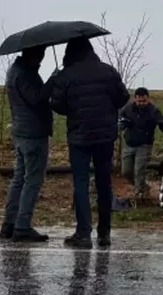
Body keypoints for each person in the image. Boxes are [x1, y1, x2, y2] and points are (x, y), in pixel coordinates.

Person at [49, 37, 130, 249]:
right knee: (104, 183)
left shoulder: (67, 74)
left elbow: (56, 104)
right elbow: (123, 97)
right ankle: (104, 233)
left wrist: (71, 108)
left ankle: (83, 233)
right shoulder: (108, 71)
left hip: (79, 136)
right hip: (105, 136)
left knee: (81, 183)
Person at [0, 46, 53, 242]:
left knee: (19, 179)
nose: (41, 59)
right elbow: (36, 98)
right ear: (34, 54)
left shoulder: (15, 71)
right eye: (41, 55)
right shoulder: (25, 75)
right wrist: (52, 81)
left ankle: (9, 224)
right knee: (32, 181)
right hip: (33, 134)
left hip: (21, 132)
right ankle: (22, 225)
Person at [118, 87, 163, 203]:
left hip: (144, 144)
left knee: (139, 171)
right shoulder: (128, 108)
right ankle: (144, 187)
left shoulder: (153, 111)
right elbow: (119, 117)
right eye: (139, 101)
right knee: (126, 171)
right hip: (129, 144)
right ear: (135, 99)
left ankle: (139, 196)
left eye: (144, 101)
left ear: (148, 99)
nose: (141, 103)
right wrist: (122, 123)